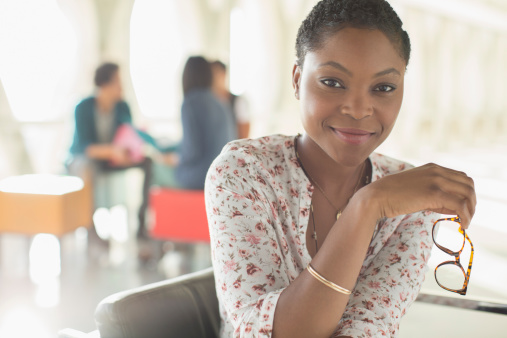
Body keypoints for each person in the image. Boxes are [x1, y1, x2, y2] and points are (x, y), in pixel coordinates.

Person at [204, 1, 477, 337]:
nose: (359, 109)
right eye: (333, 82)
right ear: (297, 79)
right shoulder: (244, 172)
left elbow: (367, 328)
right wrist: (366, 207)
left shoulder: (411, 201)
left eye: (383, 88)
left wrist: (376, 200)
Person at [69, 62, 152, 238]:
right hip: (89, 157)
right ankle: (91, 229)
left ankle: (142, 224)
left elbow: (129, 134)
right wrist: (112, 151)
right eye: (118, 81)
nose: (121, 87)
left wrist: (129, 153)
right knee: (85, 166)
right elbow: (85, 147)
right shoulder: (83, 107)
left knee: (148, 162)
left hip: (114, 158)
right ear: (104, 84)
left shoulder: (122, 106)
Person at [155, 56, 237, 190]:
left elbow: (192, 151)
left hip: (200, 178)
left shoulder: (190, 103)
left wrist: (174, 159)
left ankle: (143, 211)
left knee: (154, 167)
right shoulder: (221, 102)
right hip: (222, 175)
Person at [211, 60, 250, 139]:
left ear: (224, 74)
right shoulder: (207, 104)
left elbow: (243, 138)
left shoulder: (239, 101)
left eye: (215, 74)